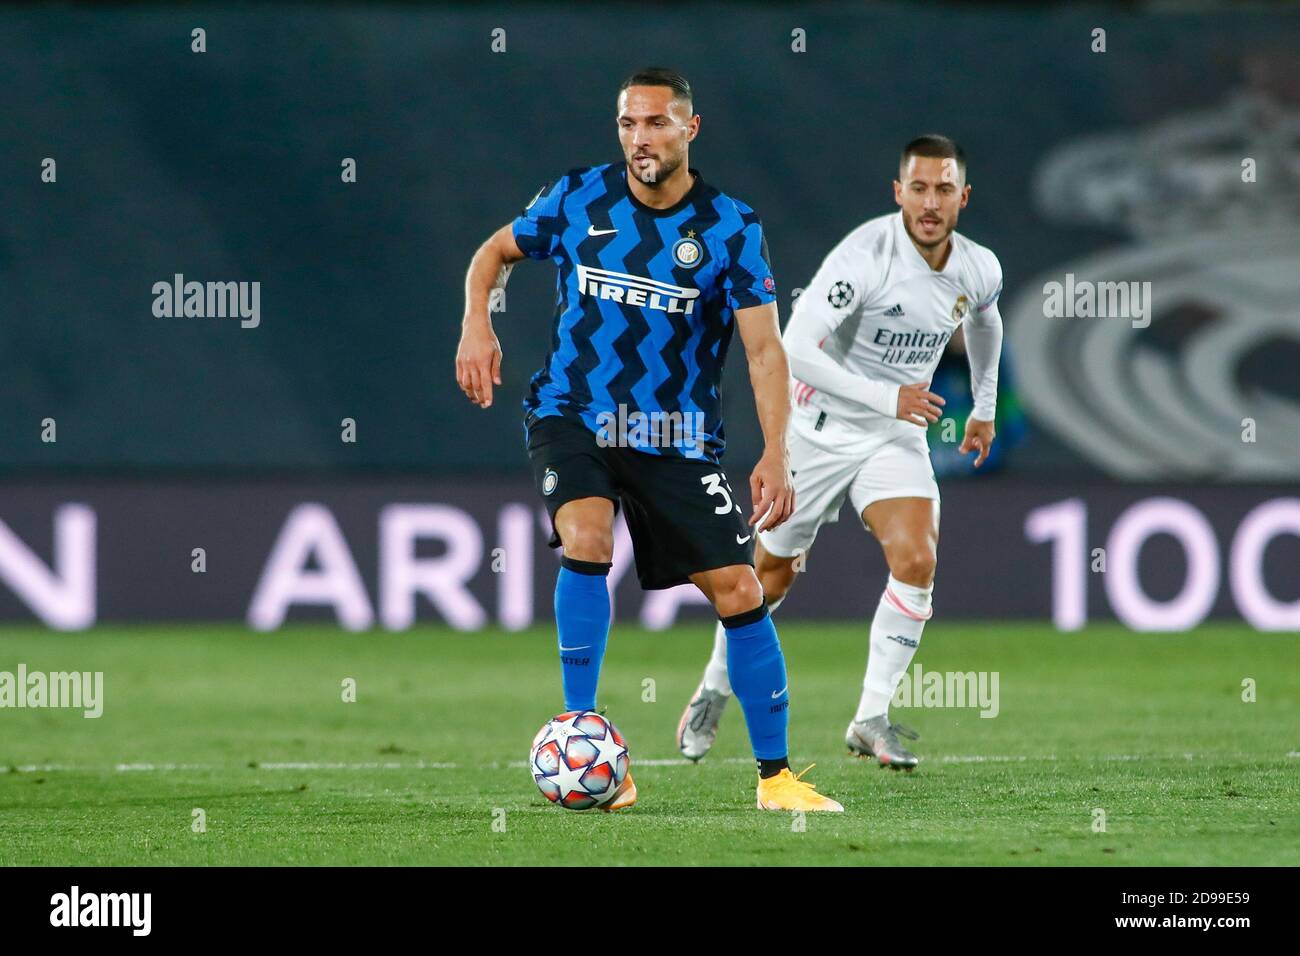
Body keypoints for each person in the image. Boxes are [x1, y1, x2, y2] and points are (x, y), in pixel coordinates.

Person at [455, 68, 841, 812]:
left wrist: (773, 451)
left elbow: (765, 350)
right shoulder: (575, 197)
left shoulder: (731, 226)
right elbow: (493, 252)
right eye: (629, 124)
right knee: (587, 537)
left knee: (740, 587)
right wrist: (479, 321)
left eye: (657, 123)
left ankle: (777, 779)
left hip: (676, 435)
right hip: (574, 413)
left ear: (690, 130)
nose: (640, 139)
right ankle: (583, 725)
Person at [678, 135, 1004, 771]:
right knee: (767, 578)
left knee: (917, 557)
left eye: (943, 189)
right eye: (918, 188)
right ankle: (715, 688)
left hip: (893, 433)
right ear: (898, 192)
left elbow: (986, 320)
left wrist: (985, 407)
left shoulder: (978, 267)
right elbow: (793, 346)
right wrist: (889, 398)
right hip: (820, 430)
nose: (929, 202)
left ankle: (870, 717)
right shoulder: (865, 256)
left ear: (963, 197)